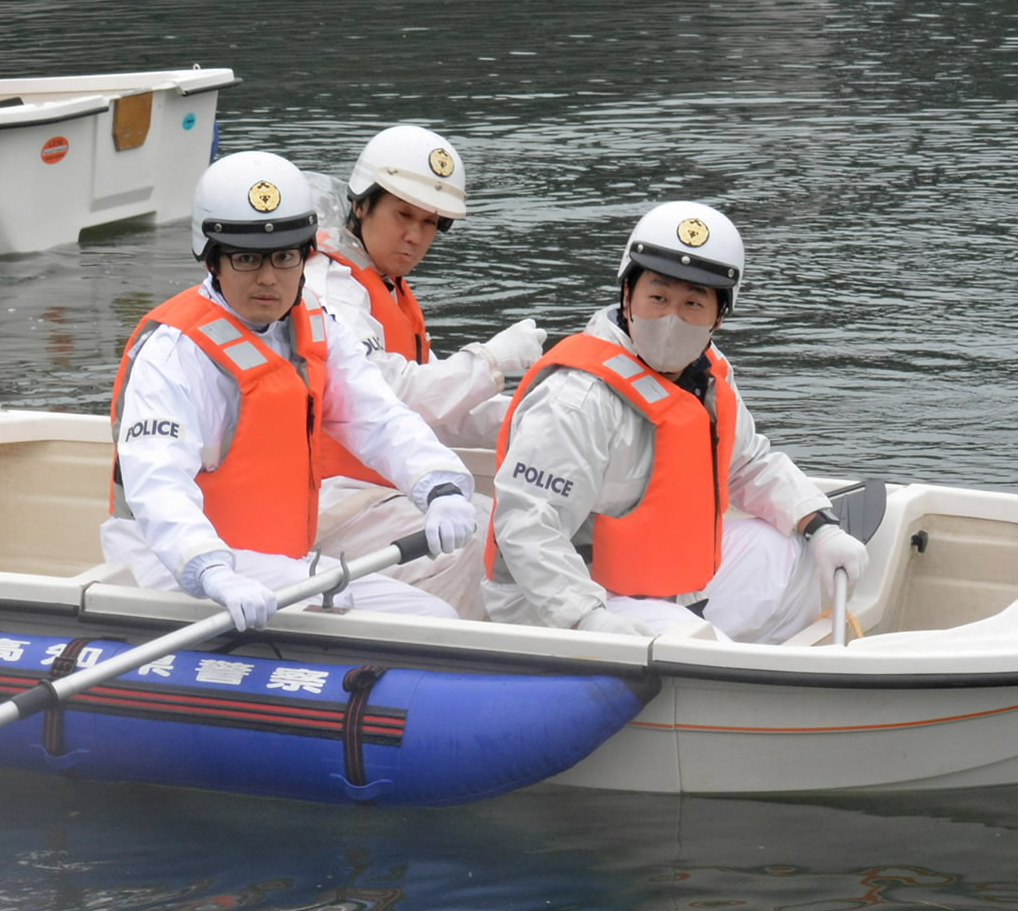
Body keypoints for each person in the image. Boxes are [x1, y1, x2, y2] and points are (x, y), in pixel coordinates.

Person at [103, 149, 481, 626]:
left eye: (284, 257)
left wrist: (439, 484)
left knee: (430, 615)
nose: (268, 278)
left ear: (306, 254)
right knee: (421, 623)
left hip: (274, 562)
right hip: (178, 565)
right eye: (246, 259)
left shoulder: (317, 326)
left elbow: (379, 418)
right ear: (212, 259)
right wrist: (211, 568)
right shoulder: (175, 352)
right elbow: (158, 483)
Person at [483, 201, 869, 641]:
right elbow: (526, 523)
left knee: (793, 549)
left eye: (693, 304)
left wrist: (818, 524)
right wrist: (586, 616)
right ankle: (730, 680)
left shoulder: (704, 375)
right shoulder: (578, 398)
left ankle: (766, 667)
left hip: (669, 589)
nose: (671, 319)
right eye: (659, 297)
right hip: (570, 600)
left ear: (719, 316)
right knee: (696, 645)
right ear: (627, 295)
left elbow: (747, 464)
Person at [303, 125, 546, 619]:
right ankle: (444, 659)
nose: (415, 236)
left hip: (380, 488)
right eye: (403, 215)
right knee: (471, 537)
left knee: (507, 519)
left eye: (430, 223)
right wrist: (492, 361)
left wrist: (529, 417)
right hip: (328, 500)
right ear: (362, 204)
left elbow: (441, 407)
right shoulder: (330, 286)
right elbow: (389, 392)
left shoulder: (384, 286)